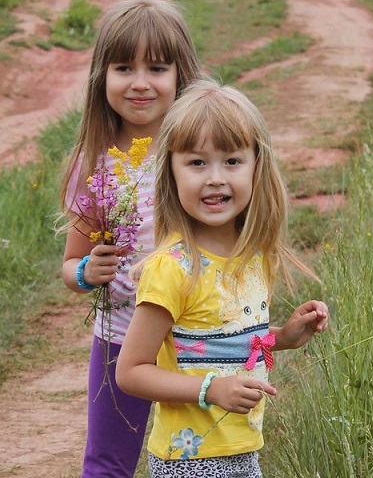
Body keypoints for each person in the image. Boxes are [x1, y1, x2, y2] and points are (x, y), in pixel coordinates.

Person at [115, 80, 329, 478]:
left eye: (231, 161)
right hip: (189, 459)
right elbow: (130, 371)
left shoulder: (253, 256)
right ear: (172, 173)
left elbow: (226, 338)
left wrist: (281, 338)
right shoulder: (172, 268)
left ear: (256, 165)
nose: (215, 177)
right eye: (197, 163)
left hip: (243, 448)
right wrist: (211, 389)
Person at [60, 0, 204, 478]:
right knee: (106, 464)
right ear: (102, 77)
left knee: (202, 460)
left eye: (157, 68)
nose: (140, 83)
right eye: (124, 68)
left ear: (181, 75)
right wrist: (86, 271)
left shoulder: (199, 151)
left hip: (196, 337)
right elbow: (70, 265)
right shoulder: (95, 162)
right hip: (118, 337)